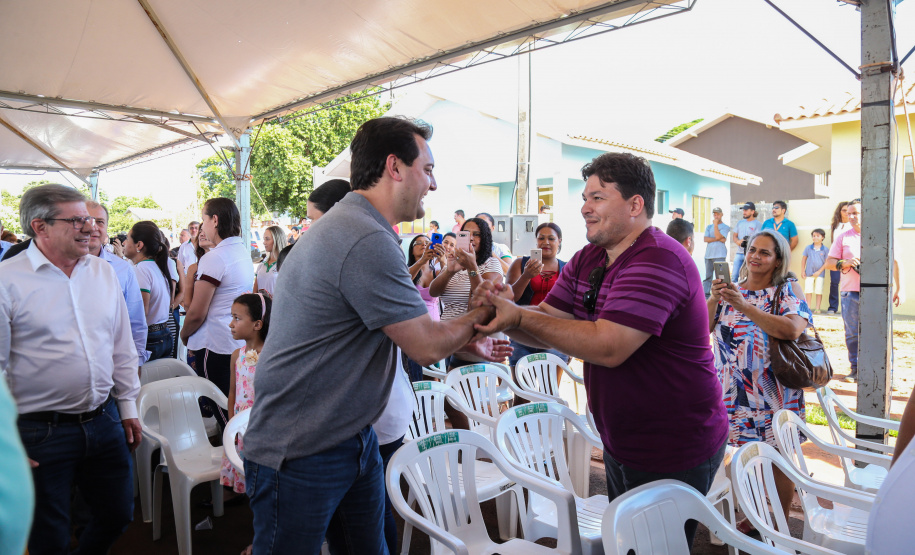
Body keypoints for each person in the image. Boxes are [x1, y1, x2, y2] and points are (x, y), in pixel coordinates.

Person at [242, 117, 508, 554]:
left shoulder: (358, 228)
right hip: (302, 449)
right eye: (428, 168)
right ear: (394, 168)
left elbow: (397, 331)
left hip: (349, 436)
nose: (434, 183)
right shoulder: (363, 237)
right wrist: (488, 310)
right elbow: (423, 343)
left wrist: (464, 338)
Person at [474, 152, 727, 547]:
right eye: (585, 197)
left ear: (635, 204)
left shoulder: (658, 258)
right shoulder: (590, 256)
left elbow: (609, 346)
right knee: (627, 542)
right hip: (621, 439)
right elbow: (550, 320)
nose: (584, 207)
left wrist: (517, 318)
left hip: (671, 446)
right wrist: (508, 313)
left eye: (597, 197)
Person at [0, 184, 140, 555]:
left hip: (104, 420)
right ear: (40, 227)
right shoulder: (7, 280)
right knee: (49, 537)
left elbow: (121, 346)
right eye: (76, 220)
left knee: (118, 513)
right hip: (37, 432)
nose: (90, 228)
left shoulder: (104, 273)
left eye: (92, 220)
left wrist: (127, 407)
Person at [708, 229, 811, 533]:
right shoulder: (731, 289)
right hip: (732, 391)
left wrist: (745, 307)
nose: (754, 256)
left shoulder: (787, 289)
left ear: (778, 259)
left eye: (764, 252)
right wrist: (714, 299)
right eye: (752, 249)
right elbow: (700, 327)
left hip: (774, 392)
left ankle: (779, 524)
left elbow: (792, 329)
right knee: (738, 455)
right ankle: (755, 518)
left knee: (779, 459)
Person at [181, 198, 250, 423]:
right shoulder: (241, 251)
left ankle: (232, 456)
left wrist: (183, 334)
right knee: (233, 410)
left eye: (204, 220)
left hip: (215, 345)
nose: (202, 226)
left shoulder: (215, 257)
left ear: (215, 220)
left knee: (223, 413)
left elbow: (197, 312)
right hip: (235, 342)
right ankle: (233, 454)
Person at [826, 198, 901, 383]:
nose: (851, 216)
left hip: (878, 292)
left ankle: (886, 373)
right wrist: (845, 262)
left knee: (880, 332)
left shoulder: (882, 234)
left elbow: (896, 261)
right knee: (852, 333)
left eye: (856, 213)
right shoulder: (843, 237)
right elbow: (829, 263)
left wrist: (900, 288)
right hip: (850, 291)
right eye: (849, 213)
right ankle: (856, 370)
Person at [86, 201, 149, 367]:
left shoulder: (122, 268)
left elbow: (135, 320)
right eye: (87, 220)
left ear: (106, 228)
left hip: (112, 366)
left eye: (100, 222)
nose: (93, 227)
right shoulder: (59, 265)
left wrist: (136, 363)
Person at [220, 293, 272, 495]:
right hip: (240, 427)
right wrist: (231, 425)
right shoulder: (236, 356)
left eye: (237, 318)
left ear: (257, 324)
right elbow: (232, 393)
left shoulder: (271, 356)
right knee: (240, 466)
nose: (231, 324)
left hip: (262, 425)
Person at [506, 222, 570, 373]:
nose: (545, 242)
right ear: (536, 240)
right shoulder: (520, 264)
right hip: (522, 335)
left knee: (549, 392)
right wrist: (526, 276)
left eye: (551, 238)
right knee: (522, 394)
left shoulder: (567, 268)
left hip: (554, 338)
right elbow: (508, 300)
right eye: (541, 238)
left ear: (559, 241)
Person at [123, 221, 175, 361]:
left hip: (150, 339)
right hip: (163, 335)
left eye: (127, 239)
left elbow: (141, 312)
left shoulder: (141, 270)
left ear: (139, 245)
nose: (123, 243)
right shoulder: (155, 267)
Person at [827, 201, 851, 314]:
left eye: (848, 210)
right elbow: (833, 243)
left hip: (848, 259)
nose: (846, 213)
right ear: (839, 211)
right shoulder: (834, 226)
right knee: (834, 282)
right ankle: (833, 307)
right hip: (837, 258)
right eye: (843, 210)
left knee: (848, 283)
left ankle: (847, 308)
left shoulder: (852, 225)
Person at [731, 201, 762, 282]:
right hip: (739, 253)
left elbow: (759, 239)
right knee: (734, 276)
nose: (744, 212)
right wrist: (738, 242)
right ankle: (732, 293)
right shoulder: (739, 223)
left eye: (746, 210)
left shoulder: (757, 224)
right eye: (743, 210)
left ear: (752, 211)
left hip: (750, 254)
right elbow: (734, 236)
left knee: (747, 277)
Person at [253, 225, 287, 297]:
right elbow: (255, 291)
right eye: (264, 239)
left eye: (267, 239)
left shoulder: (284, 264)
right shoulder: (262, 265)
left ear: (277, 240)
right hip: (261, 306)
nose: (264, 242)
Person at [703, 207, 730, 296]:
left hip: (720, 254)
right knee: (708, 277)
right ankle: (706, 295)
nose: (716, 215)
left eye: (718, 214)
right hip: (708, 255)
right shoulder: (708, 227)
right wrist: (718, 239)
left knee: (721, 276)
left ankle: (722, 294)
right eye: (714, 214)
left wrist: (715, 225)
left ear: (722, 214)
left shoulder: (725, 227)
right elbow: (705, 239)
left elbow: (720, 238)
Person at [801, 228, 829, 313]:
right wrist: (803, 271)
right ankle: (808, 307)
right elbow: (804, 259)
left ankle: (817, 308)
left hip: (820, 274)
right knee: (808, 290)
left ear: (822, 237)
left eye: (817, 236)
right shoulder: (808, 248)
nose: (815, 237)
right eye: (813, 236)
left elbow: (826, 262)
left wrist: (819, 271)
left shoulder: (825, 249)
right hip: (809, 273)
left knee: (819, 290)